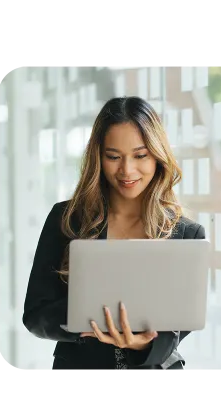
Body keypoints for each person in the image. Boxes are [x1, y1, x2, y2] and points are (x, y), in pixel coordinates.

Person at [22, 96, 207, 376]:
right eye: (113, 156)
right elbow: (36, 315)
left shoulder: (187, 234)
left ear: (157, 155)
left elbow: (178, 329)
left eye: (140, 155)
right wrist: (87, 320)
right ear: (99, 157)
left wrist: (141, 345)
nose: (127, 170)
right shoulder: (66, 220)